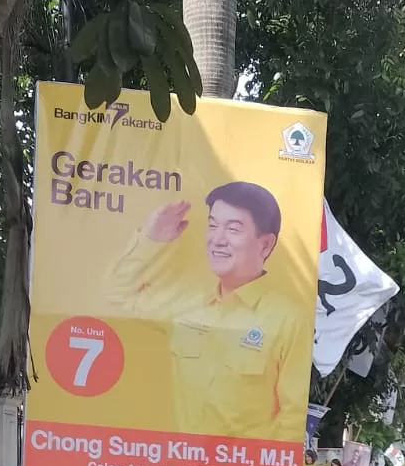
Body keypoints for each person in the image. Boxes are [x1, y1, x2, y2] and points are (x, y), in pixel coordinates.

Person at [110, 183, 304, 438]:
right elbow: (116, 294)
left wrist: (250, 462)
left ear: (266, 245)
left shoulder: (288, 319)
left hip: (241, 463)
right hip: (178, 461)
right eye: (212, 226)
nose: (217, 239)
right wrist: (151, 240)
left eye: (233, 229)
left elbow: (293, 418)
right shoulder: (187, 303)